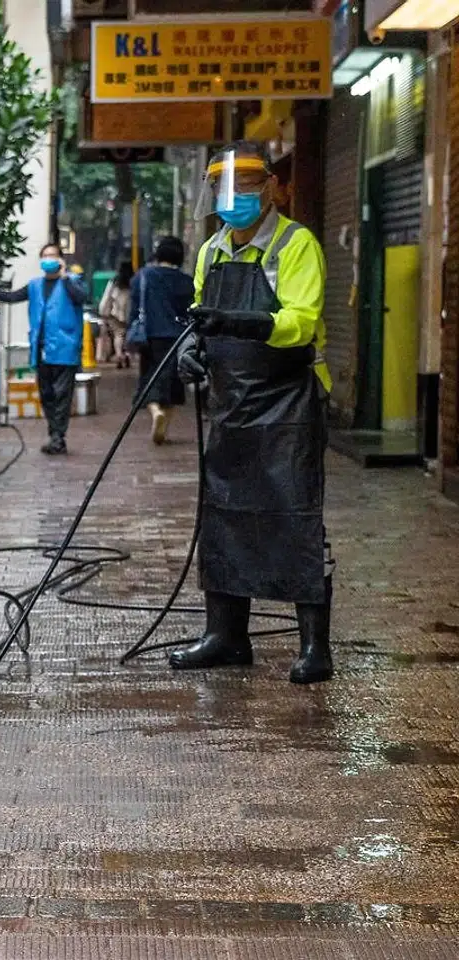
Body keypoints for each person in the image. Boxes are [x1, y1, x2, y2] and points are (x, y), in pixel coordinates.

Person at [170, 142, 332, 684]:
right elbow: (200, 318)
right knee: (224, 511)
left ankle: (314, 647)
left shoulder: (295, 244)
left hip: (288, 401)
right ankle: (226, 636)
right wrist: (192, 351)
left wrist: (244, 323)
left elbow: (301, 323)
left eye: (244, 187)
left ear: (269, 189)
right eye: (224, 189)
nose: (233, 198)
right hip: (230, 402)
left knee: (294, 514)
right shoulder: (211, 250)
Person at [0, 244, 87, 454]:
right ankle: (55, 434)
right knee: (46, 394)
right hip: (42, 348)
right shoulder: (35, 285)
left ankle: (58, 437)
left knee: (62, 394)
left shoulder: (73, 282)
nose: (48, 259)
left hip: (65, 348)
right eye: (44, 255)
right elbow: (10, 297)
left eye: (52, 255)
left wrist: (64, 276)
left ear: (61, 259)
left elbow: (81, 298)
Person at [127, 236, 194, 445]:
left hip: (150, 336)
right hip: (178, 337)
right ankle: (164, 429)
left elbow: (135, 306)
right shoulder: (186, 280)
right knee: (173, 383)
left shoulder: (143, 276)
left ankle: (155, 412)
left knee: (149, 378)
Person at [98, 261, 133, 368]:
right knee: (127, 335)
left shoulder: (114, 282)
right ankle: (126, 354)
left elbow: (107, 297)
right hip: (129, 313)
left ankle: (119, 355)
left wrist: (103, 311)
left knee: (118, 335)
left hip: (116, 314)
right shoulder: (134, 281)